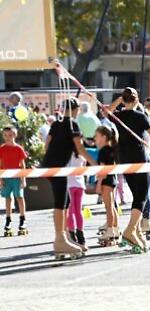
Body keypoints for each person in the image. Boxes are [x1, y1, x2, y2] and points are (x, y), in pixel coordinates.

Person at [103, 87, 150, 253]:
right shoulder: (140, 116)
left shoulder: (119, 116)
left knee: (136, 195)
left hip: (124, 160)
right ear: (136, 100)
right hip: (139, 158)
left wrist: (119, 102)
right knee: (142, 195)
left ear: (123, 100)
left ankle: (136, 231)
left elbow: (105, 112)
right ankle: (130, 230)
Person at [41, 98, 97, 259]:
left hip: (49, 165)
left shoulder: (56, 124)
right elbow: (80, 148)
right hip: (57, 168)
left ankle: (63, 238)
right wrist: (96, 165)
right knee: (61, 202)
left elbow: (47, 144)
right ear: (75, 109)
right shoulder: (73, 124)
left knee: (65, 202)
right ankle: (60, 240)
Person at [92, 125, 121, 246]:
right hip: (112, 179)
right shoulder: (110, 149)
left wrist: (98, 184)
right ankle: (114, 229)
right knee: (112, 206)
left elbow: (102, 170)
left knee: (108, 207)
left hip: (106, 181)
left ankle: (110, 230)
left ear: (104, 137)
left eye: (97, 136)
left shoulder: (104, 150)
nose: (94, 138)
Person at [0, 125, 28, 237]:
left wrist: (23, 179)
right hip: (6, 177)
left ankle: (22, 219)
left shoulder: (18, 149)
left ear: (15, 135)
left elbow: (22, 165)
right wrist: (1, 178)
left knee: (19, 197)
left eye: (10, 135)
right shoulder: (1, 149)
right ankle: (8, 220)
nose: (7, 137)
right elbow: (1, 163)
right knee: (8, 198)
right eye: (5, 135)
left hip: (17, 177)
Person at [64, 151, 88, 252]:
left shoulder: (67, 154)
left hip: (70, 184)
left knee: (71, 211)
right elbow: (85, 165)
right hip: (80, 183)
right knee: (78, 211)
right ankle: (81, 236)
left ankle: (72, 235)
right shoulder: (81, 154)